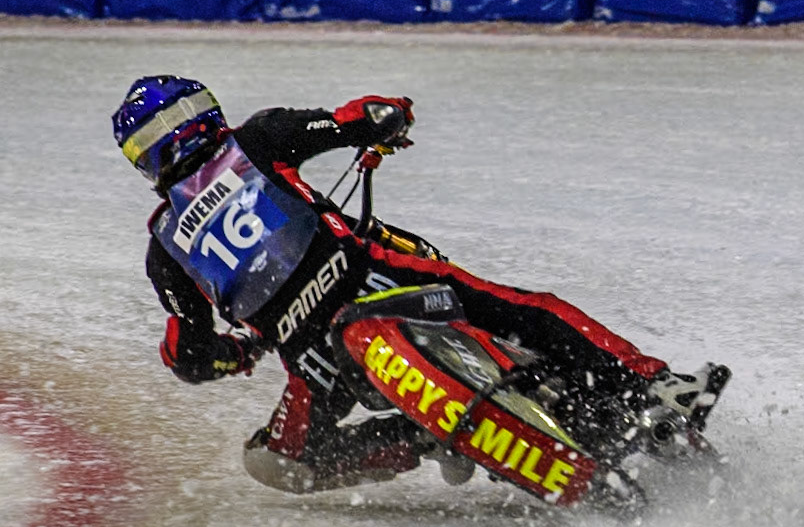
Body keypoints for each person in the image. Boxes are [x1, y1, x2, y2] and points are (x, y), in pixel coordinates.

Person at [115, 75, 724, 494]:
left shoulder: (164, 249)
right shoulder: (258, 137)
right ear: (203, 112)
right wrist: (390, 118)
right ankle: (653, 384)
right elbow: (351, 119)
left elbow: (187, 356)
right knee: (517, 307)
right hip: (371, 277)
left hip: (314, 357)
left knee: (279, 462)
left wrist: (240, 352)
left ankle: (419, 436)